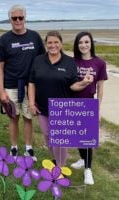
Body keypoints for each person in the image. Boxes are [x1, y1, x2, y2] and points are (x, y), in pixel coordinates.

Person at [28, 31, 93, 167]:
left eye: (56, 42)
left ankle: (60, 167)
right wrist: (31, 103)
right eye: (50, 42)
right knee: (48, 137)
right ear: (46, 44)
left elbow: (73, 85)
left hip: (62, 109)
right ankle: (57, 159)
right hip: (42, 107)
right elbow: (32, 83)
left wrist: (84, 83)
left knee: (59, 140)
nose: (53, 45)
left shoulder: (69, 62)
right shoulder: (38, 60)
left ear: (61, 44)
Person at [0, 4, 45, 161]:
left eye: (20, 17)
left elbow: (42, 60)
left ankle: (28, 148)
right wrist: (1, 91)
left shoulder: (34, 37)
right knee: (13, 118)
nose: (17, 20)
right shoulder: (4, 40)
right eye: (14, 18)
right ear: (10, 19)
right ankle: (14, 148)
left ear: (25, 18)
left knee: (28, 117)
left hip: (30, 86)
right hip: (10, 85)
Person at [70, 31, 108, 185]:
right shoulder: (72, 62)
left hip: (89, 103)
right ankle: (81, 159)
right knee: (77, 136)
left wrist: (97, 110)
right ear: (77, 45)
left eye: (86, 42)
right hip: (73, 102)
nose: (83, 45)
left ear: (91, 43)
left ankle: (88, 170)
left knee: (87, 139)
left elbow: (100, 88)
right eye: (80, 42)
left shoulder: (99, 63)